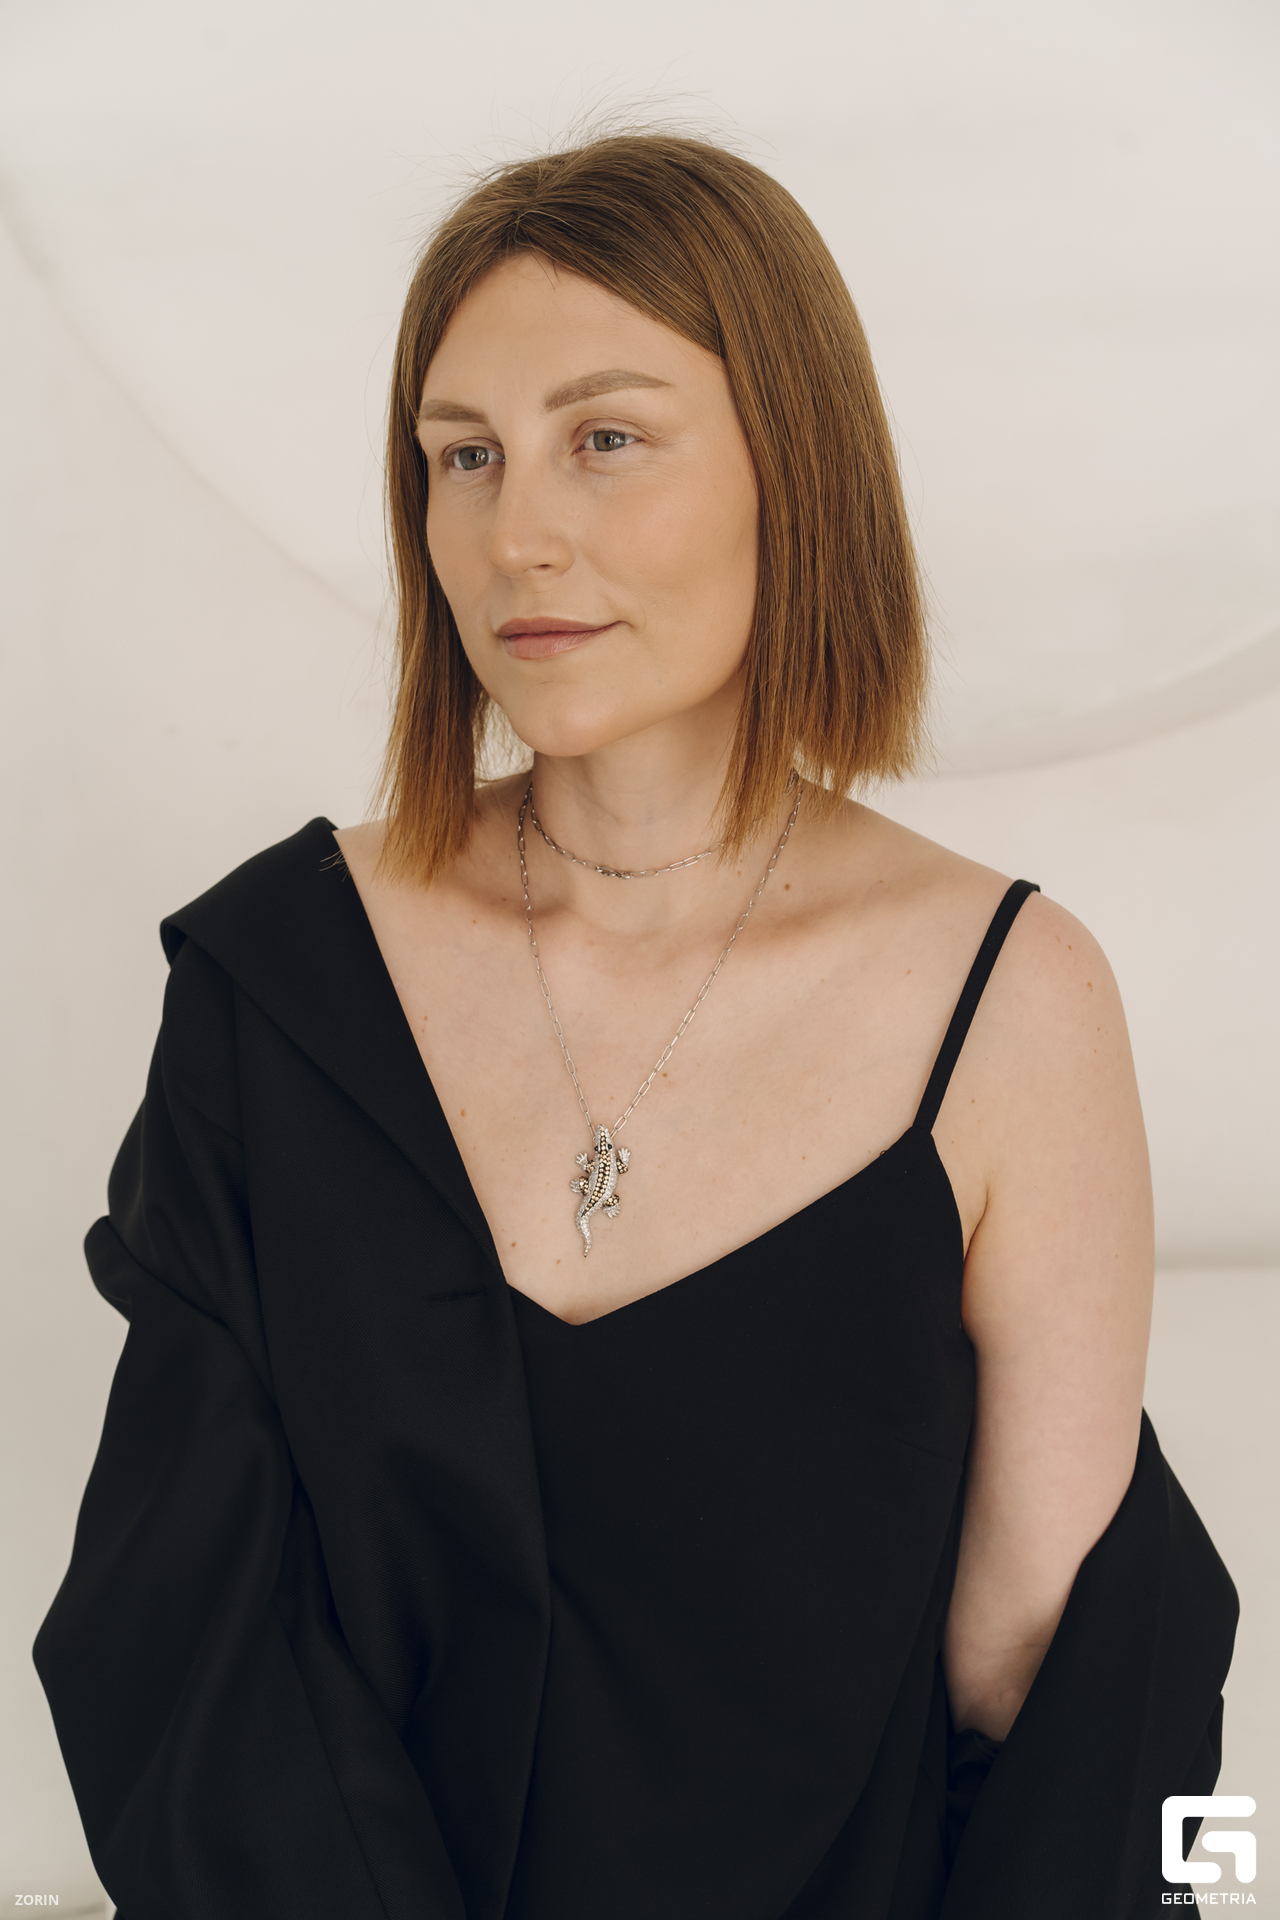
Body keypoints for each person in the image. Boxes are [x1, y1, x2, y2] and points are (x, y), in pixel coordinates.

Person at [35, 133, 1236, 1919]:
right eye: (463, 455)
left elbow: (1067, 1709)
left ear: (793, 469)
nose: (515, 532)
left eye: (605, 438)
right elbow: (177, 1645)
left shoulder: (1016, 1004)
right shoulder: (275, 980)